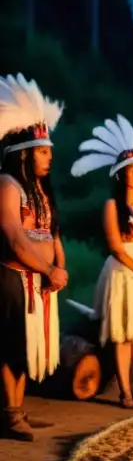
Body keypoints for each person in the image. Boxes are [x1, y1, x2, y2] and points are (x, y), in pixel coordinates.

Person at [70, 115, 133, 409]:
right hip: (126, 273)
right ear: (121, 174)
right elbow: (116, 247)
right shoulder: (112, 206)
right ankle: (125, 392)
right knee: (124, 333)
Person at [0, 74, 67, 441]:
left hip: (40, 280)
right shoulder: (6, 185)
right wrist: (49, 269)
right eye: (43, 151)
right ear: (24, 152)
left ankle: (19, 410)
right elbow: (15, 239)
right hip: (14, 280)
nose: (50, 157)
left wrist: (60, 267)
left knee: (27, 347)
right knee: (12, 345)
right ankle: (10, 414)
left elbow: (53, 234)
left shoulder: (40, 190)